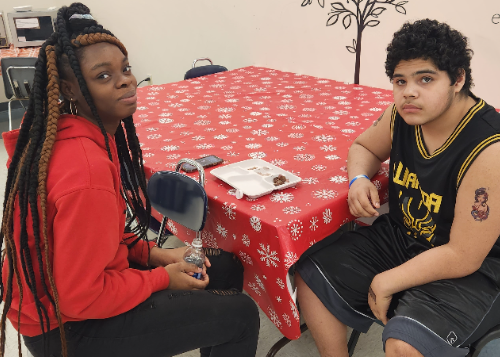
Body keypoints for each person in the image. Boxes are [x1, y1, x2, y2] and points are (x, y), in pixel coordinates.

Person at [0, 3, 259, 357]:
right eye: (103, 76)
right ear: (69, 89)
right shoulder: (86, 173)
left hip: (71, 292)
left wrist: (155, 255)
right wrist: (163, 278)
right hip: (65, 329)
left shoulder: (74, 134)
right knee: (241, 315)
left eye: (125, 68)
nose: (125, 80)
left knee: (223, 266)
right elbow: (81, 296)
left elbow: (103, 240)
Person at [295, 19, 500, 357]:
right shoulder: (400, 116)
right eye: (400, 81)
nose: (409, 92)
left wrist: (387, 279)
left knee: (403, 344)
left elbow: (464, 255)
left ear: (459, 78)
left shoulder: (489, 149)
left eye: (426, 79)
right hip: (403, 237)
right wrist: (358, 178)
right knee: (310, 273)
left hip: (473, 267)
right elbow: (364, 147)